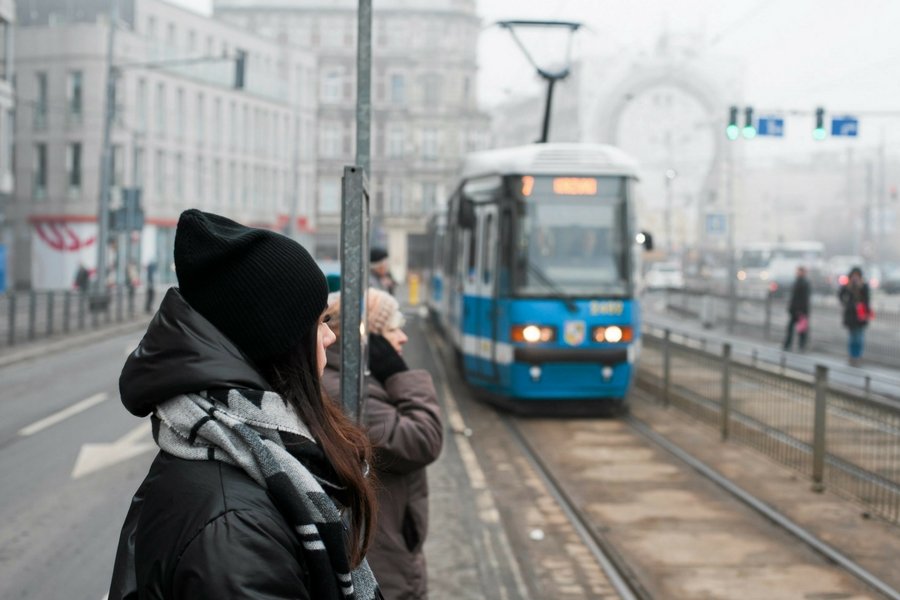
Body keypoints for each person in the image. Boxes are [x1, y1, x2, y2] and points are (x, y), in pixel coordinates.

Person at [108, 209, 381, 600]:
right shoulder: (235, 530)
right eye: (319, 322)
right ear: (278, 343)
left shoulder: (246, 455)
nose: (330, 337)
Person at [322, 288, 443, 600]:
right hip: (381, 555)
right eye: (392, 329)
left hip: (385, 543)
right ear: (369, 341)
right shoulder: (348, 392)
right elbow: (421, 439)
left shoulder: (357, 382)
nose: (402, 337)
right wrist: (400, 374)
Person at [838, 266, 871, 367]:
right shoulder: (848, 286)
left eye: (857, 275)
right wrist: (846, 302)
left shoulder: (864, 286)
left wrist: (866, 312)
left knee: (859, 337)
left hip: (860, 314)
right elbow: (840, 295)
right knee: (852, 337)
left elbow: (867, 300)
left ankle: (858, 356)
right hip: (851, 315)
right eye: (854, 275)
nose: (855, 278)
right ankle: (852, 356)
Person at [782, 266, 811, 352]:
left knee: (801, 329)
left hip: (800, 311)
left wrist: (801, 310)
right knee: (792, 328)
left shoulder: (804, 283)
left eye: (799, 271)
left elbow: (804, 299)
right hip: (795, 310)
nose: (797, 273)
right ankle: (790, 344)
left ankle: (800, 345)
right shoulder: (797, 282)